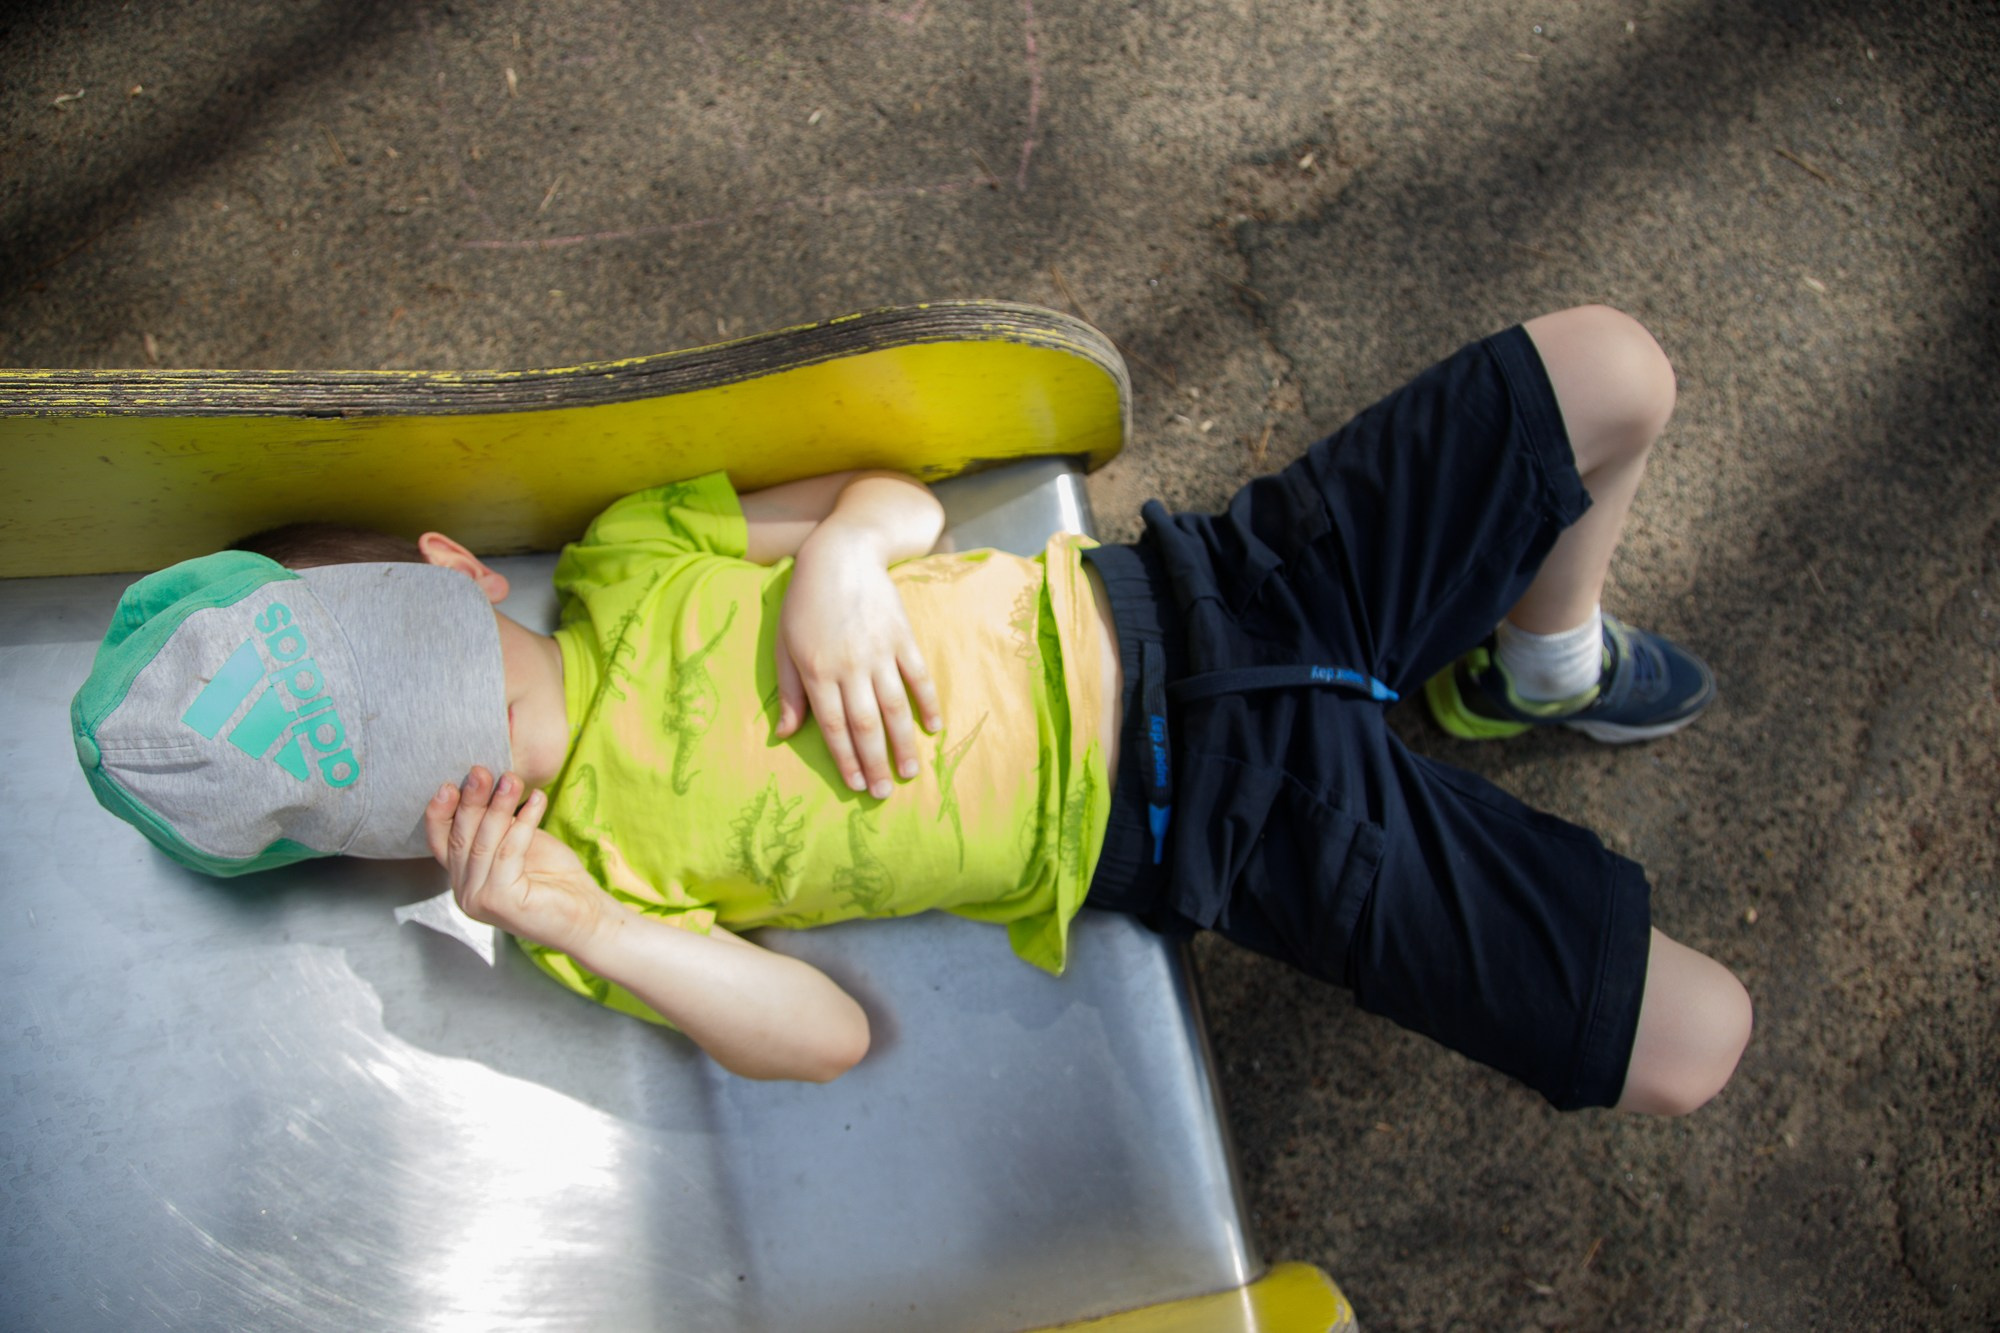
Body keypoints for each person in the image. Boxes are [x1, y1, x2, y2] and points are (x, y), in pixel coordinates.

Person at [72, 305, 1751, 1111]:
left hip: (1210, 589)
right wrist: (585, 914)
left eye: (466, 688)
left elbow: (896, 498)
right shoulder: (582, 894)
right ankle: (1488, 687)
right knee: (1695, 1044)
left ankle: (1543, 662)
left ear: (460, 575)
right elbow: (823, 1035)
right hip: (1226, 823)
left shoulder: (629, 553)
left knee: (1614, 368)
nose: (498, 748)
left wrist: (842, 563)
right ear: (406, 849)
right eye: (438, 785)